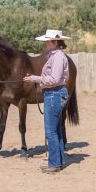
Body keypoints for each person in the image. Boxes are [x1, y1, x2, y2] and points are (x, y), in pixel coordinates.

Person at [23, 29, 70, 174]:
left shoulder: (57, 57)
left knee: (51, 131)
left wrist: (35, 79)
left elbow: (54, 79)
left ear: (54, 42)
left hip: (53, 94)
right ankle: (59, 161)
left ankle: (54, 164)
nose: (45, 44)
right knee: (56, 130)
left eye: (47, 41)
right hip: (55, 94)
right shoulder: (56, 55)